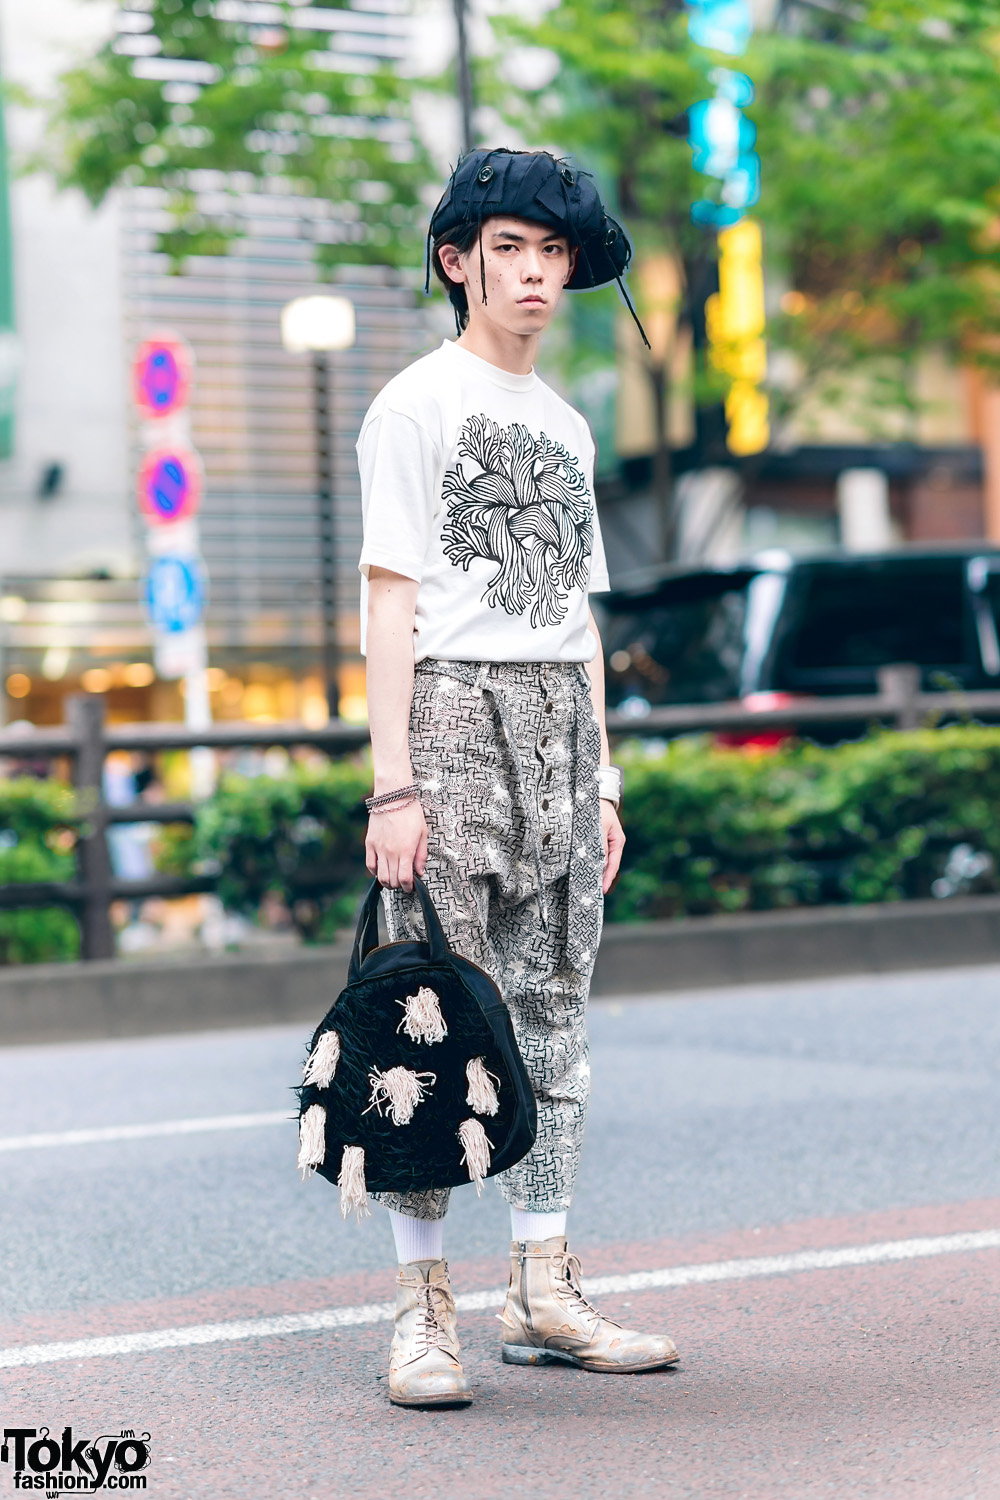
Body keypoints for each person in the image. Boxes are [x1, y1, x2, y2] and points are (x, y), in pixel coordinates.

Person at [358, 147, 679, 1408]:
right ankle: (419, 1306)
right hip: (450, 710)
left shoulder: (566, 423)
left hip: (558, 726)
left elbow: (577, 619)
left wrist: (603, 781)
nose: (536, 273)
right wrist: (394, 786)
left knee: (556, 1011)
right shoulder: (414, 405)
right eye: (510, 249)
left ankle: (541, 1288)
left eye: (553, 253)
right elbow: (389, 601)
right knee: (431, 1011)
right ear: (459, 261)